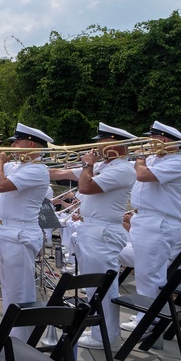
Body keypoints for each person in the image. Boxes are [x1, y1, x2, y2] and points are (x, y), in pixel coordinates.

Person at [49, 122, 137, 349]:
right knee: (93, 287)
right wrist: (32, 163)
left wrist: (87, 166)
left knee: (101, 286)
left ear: (115, 143)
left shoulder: (123, 169)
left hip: (103, 231)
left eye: (101, 140)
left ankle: (105, 336)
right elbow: (62, 172)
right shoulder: (103, 165)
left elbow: (87, 187)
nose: (96, 144)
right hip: (93, 230)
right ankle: (102, 332)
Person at [121, 121, 181, 334]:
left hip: (159, 222)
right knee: (145, 272)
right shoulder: (154, 159)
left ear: (163, 140)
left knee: (149, 275)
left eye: (152, 139)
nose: (148, 143)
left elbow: (143, 175)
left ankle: (147, 322)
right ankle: (146, 318)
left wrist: (140, 158)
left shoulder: (180, 162)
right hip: (145, 219)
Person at [0, 123, 53, 343]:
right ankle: (9, 335)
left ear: (29, 144)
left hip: (20, 234)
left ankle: (20, 342)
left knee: (20, 292)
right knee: (9, 290)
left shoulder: (36, 170)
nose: (12, 145)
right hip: (11, 231)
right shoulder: (20, 166)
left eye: (16, 141)